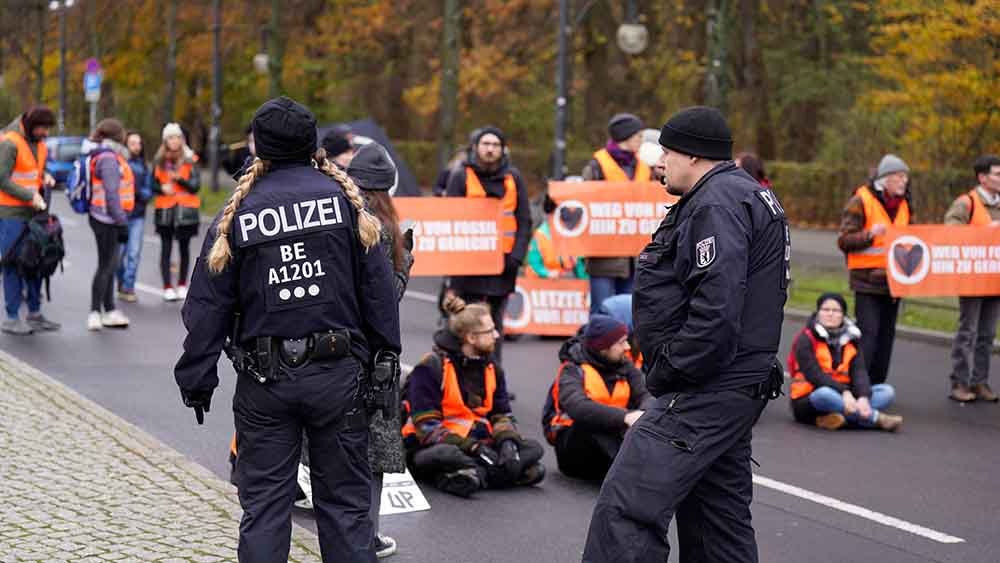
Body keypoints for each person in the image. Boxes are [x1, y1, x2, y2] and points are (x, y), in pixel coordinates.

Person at [174, 96, 400, 562]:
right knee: (345, 512)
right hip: (341, 378)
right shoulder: (346, 204)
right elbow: (378, 291)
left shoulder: (238, 213)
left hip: (265, 383)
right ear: (312, 144)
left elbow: (207, 304)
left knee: (266, 509)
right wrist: (384, 358)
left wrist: (197, 377)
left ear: (259, 148)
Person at [583, 106, 789, 562]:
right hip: (737, 381)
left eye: (667, 154)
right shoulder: (746, 196)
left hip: (706, 385)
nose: (660, 165)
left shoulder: (716, 203)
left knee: (627, 507)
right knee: (718, 522)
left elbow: (718, 306)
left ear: (694, 156)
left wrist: (673, 368)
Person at [401, 295, 545, 498]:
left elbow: (502, 415)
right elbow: (427, 429)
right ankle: (498, 473)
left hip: (479, 441)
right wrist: (474, 448)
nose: (496, 335)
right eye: (489, 331)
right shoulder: (431, 367)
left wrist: (507, 442)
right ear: (470, 338)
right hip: (437, 445)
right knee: (446, 455)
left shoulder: (492, 367)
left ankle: (475, 475)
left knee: (534, 449)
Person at [346, 142, 414, 558]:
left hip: (330, 350)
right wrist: (406, 264)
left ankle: (338, 534)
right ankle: (365, 537)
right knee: (371, 454)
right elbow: (385, 300)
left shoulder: (334, 215)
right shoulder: (381, 227)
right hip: (371, 355)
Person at [445, 127, 531, 362]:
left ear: (503, 150)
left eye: (496, 144)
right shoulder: (460, 176)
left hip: (503, 266)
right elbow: (447, 217)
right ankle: (459, 373)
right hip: (468, 267)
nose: (491, 149)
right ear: (475, 148)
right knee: (463, 324)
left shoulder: (514, 178)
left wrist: (517, 256)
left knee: (494, 327)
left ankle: (494, 378)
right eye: (486, 144)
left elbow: (524, 220)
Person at [542, 315, 654, 480]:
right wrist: (626, 417)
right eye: (621, 342)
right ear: (604, 348)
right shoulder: (572, 369)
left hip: (612, 437)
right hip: (574, 445)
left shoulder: (625, 365)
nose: (628, 347)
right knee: (590, 425)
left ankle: (639, 469)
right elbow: (578, 407)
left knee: (651, 421)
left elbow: (647, 394)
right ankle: (634, 471)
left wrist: (643, 414)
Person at [837, 154, 913, 385]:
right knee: (868, 337)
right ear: (885, 178)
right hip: (867, 283)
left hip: (894, 283)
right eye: (899, 177)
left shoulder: (905, 204)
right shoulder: (860, 201)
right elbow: (844, 241)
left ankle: (877, 386)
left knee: (886, 338)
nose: (904, 182)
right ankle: (859, 384)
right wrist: (870, 235)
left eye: (905, 178)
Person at [788, 293, 902, 431]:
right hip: (810, 398)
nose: (830, 314)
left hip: (846, 396)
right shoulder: (806, 339)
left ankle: (839, 418)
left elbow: (859, 372)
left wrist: (863, 397)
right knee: (824, 394)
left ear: (843, 315)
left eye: (836, 310)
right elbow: (816, 377)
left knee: (886, 391)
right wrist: (845, 393)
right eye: (825, 310)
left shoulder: (851, 339)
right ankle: (875, 418)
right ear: (818, 313)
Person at [944, 154, 1000, 403]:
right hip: (971, 278)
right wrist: (981, 232)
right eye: (997, 174)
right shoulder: (967, 203)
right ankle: (959, 382)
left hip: (995, 278)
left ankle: (980, 382)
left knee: (987, 334)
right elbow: (949, 231)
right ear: (982, 177)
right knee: (968, 331)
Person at [581, 113, 649, 312]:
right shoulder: (596, 167)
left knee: (629, 313)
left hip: (633, 257)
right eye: (638, 137)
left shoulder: (644, 167)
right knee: (602, 312)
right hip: (603, 257)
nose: (641, 142)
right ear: (625, 137)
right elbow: (583, 202)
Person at [0, 105, 59, 334]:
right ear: (31, 125)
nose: (46, 133)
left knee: (36, 261)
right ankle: (12, 317)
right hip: (11, 213)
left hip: (33, 213)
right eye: (43, 128)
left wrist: (46, 175)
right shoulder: (10, 142)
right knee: (13, 263)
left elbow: (34, 170)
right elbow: (2, 179)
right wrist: (29, 195)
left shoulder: (39, 144)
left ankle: (34, 313)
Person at [82, 119, 134, 331]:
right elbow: (112, 195)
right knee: (106, 266)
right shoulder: (109, 159)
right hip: (107, 219)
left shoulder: (103, 154)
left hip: (103, 217)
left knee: (109, 265)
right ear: (117, 137)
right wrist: (122, 222)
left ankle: (109, 308)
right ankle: (96, 312)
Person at [152, 123, 201, 302]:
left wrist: (180, 180)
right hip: (165, 209)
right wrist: (161, 188)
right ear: (165, 140)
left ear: (182, 139)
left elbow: (196, 186)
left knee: (184, 249)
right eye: (171, 137)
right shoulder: (159, 160)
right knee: (165, 249)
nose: (175, 140)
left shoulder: (190, 159)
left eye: (177, 137)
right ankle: (167, 286)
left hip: (185, 210)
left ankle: (182, 285)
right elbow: (152, 184)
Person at [117, 131, 153, 303]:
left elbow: (148, 192)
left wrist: (138, 192)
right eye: (132, 143)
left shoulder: (145, 166)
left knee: (134, 252)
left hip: (137, 215)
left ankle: (128, 286)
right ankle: (121, 281)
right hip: (121, 215)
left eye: (138, 143)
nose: (136, 147)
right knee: (118, 255)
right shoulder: (118, 163)